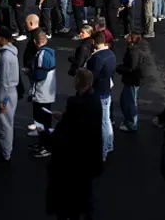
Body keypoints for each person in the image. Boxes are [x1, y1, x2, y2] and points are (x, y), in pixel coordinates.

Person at [45, 68, 103, 220]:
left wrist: (47, 136)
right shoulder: (94, 99)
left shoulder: (76, 103)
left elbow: (70, 130)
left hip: (74, 158)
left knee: (70, 196)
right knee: (85, 192)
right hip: (89, 156)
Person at [86, 31, 116, 161]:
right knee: (106, 120)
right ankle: (109, 145)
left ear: (94, 42)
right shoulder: (111, 54)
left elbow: (92, 76)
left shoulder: (97, 58)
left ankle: (102, 152)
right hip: (107, 90)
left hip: (98, 92)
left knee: (102, 122)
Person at [116, 33, 154, 132]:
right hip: (134, 79)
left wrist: (120, 68)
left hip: (133, 79)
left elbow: (132, 67)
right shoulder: (135, 49)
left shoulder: (133, 51)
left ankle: (132, 124)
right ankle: (129, 121)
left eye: (128, 36)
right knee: (126, 100)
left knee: (130, 102)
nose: (126, 37)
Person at [28, 31, 57, 159]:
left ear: (35, 42)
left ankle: (46, 146)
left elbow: (39, 75)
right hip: (46, 92)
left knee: (41, 121)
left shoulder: (42, 55)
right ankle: (42, 143)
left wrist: (29, 72)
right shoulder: (49, 53)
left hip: (42, 92)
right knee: (43, 120)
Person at [0, 26, 19, 163]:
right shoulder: (11, 53)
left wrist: (1, 101)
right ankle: (6, 150)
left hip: (6, 94)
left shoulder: (5, 57)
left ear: (3, 39)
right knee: (7, 123)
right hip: (10, 92)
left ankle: (6, 153)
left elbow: (4, 80)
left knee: (5, 124)